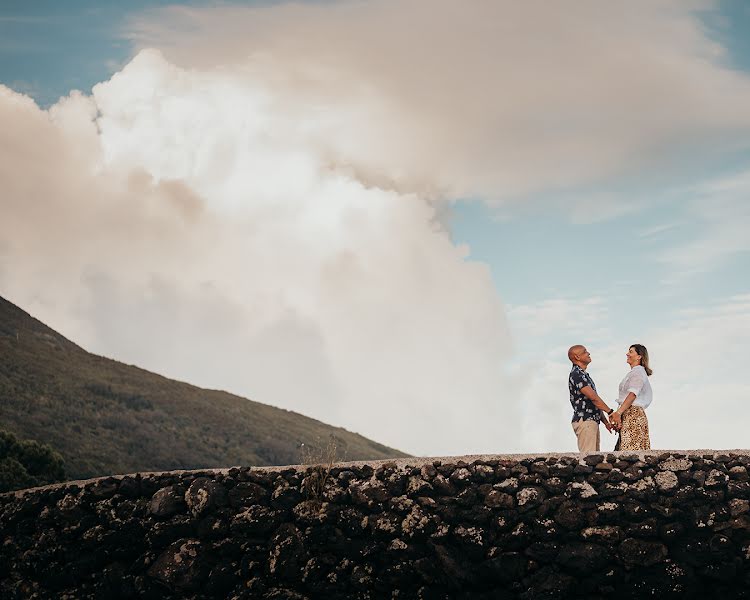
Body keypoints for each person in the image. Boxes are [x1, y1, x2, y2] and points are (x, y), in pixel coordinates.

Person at [567, 345, 616, 452]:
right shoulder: (577, 374)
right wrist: (610, 412)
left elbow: (593, 402)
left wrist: (605, 421)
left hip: (591, 421)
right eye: (585, 352)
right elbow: (593, 398)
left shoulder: (583, 374)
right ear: (577, 357)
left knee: (594, 459)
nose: (588, 353)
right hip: (585, 421)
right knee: (588, 460)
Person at [610, 344, 653, 450]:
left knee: (630, 451)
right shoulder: (634, 372)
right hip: (628, 413)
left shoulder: (638, 371)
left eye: (631, 351)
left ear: (639, 356)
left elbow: (633, 394)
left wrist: (618, 413)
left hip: (633, 414)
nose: (627, 354)